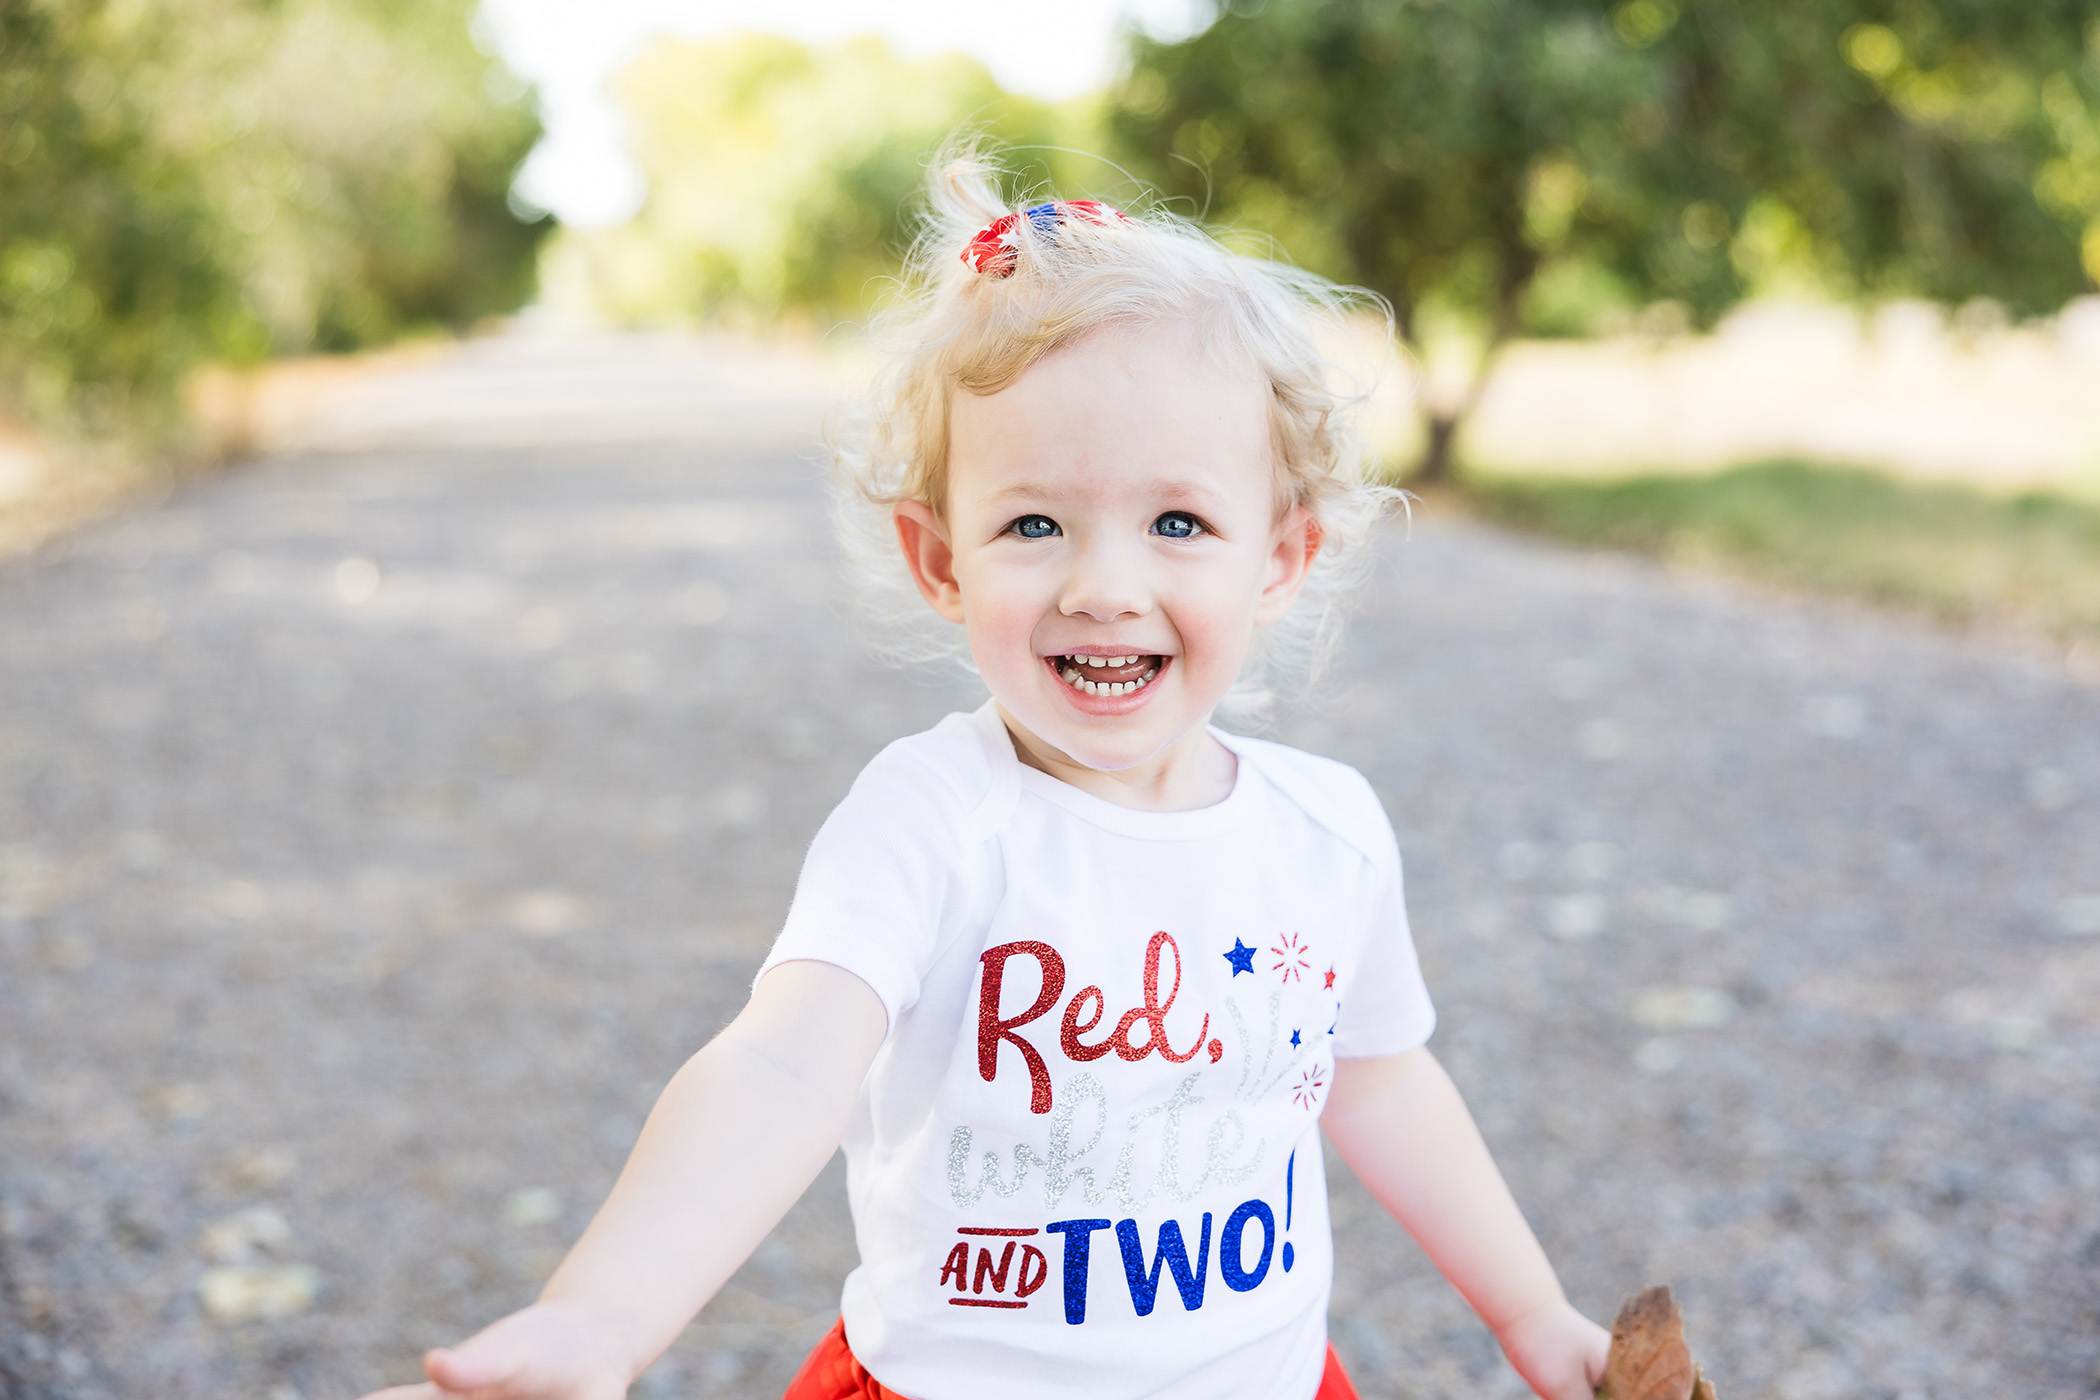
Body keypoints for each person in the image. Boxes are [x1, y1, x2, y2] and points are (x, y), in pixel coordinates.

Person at [362, 156, 1610, 1400]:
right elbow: (782, 1065)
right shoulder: (932, 821)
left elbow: (1381, 1075)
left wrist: (1533, 1312)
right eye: (1033, 523)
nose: (1104, 584)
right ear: (939, 556)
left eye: (1178, 523)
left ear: (1280, 557)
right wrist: (600, 1318)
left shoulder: (1326, 835)